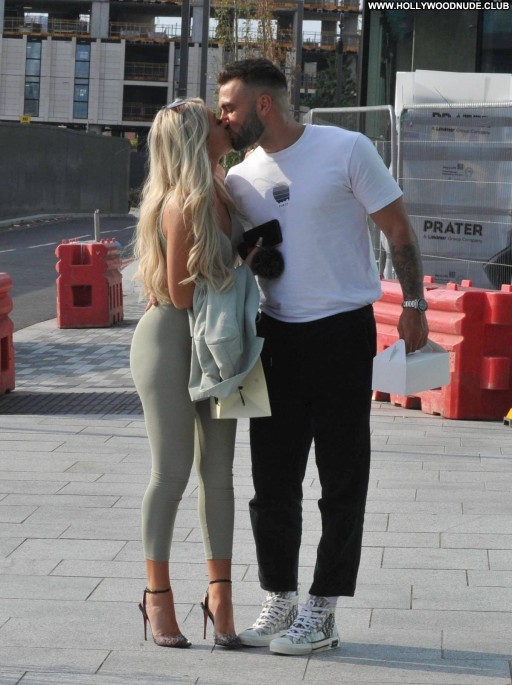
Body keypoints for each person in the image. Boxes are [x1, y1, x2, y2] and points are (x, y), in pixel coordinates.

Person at [217, 58, 429, 656]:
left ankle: (324, 608)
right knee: (271, 482)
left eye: (230, 106)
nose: (223, 117)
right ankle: (280, 598)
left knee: (342, 479)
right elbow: (239, 254)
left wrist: (414, 302)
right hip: (274, 338)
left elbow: (398, 229)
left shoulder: (347, 148)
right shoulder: (239, 178)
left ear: (263, 104)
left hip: (342, 334)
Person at [130, 98, 244, 650]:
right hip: (171, 342)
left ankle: (220, 597)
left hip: (216, 341)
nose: (226, 124)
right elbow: (178, 293)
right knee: (172, 473)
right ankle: (157, 596)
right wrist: (239, 271)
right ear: (198, 139)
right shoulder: (183, 202)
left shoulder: (224, 189)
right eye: (216, 121)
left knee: (219, 474)